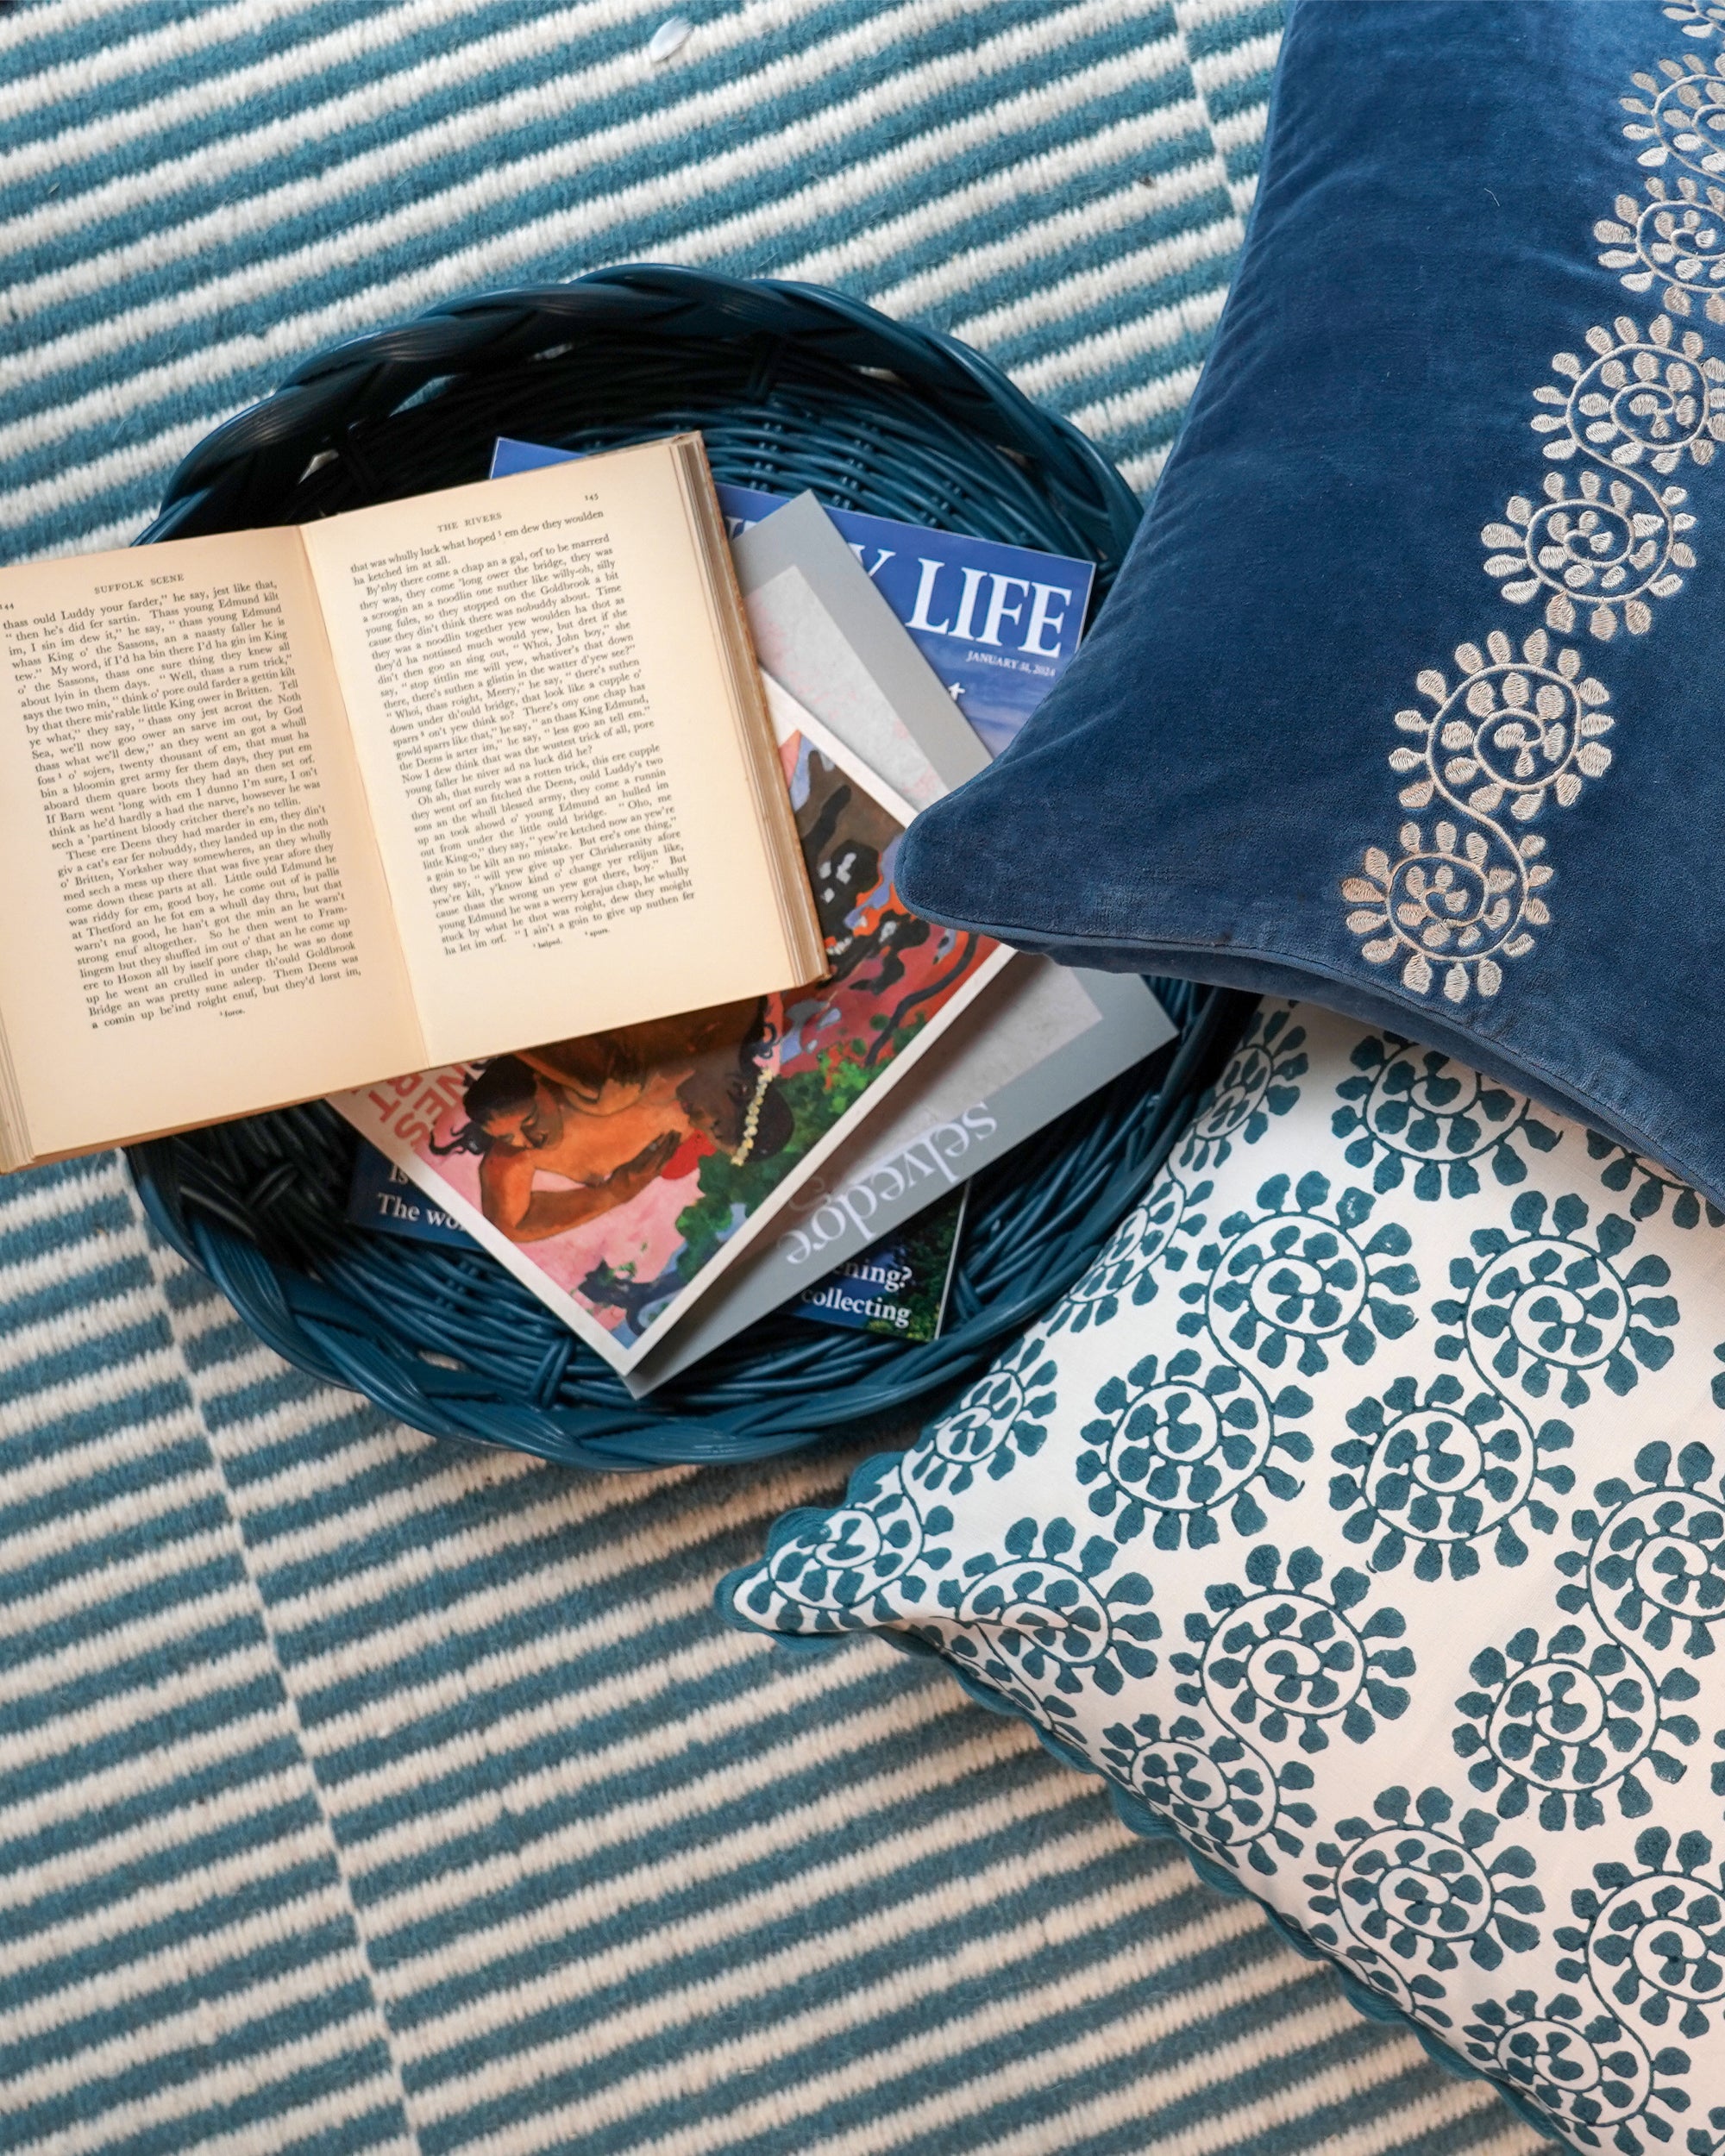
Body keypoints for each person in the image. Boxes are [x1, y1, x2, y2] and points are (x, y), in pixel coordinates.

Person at [431, 1000, 791, 1243]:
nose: (696, 1121)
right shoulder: (734, 1020)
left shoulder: (669, 1126)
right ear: (740, 1089)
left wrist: (612, 1194)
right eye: (714, 1125)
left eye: (710, 1135)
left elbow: (508, 1223)